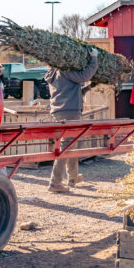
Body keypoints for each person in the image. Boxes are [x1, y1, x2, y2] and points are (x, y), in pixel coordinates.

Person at [44, 49, 100, 193]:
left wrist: (89, 87)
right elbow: (84, 75)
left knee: (70, 144)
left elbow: (73, 91)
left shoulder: (54, 74)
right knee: (67, 146)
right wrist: (94, 58)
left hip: (59, 111)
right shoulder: (64, 71)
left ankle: (73, 177)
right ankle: (55, 182)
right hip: (69, 112)